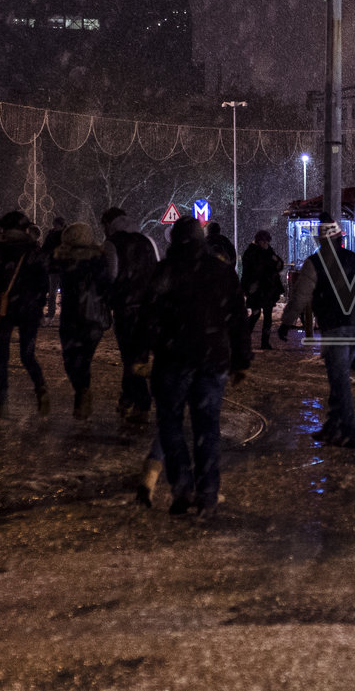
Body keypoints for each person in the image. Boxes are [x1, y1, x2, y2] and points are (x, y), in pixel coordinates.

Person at [142, 217, 251, 516]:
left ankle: (182, 487)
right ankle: (207, 493)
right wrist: (242, 360)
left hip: (172, 360)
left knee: (171, 426)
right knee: (207, 428)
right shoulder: (221, 271)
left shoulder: (164, 271)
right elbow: (238, 319)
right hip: (211, 359)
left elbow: (148, 316)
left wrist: (141, 354)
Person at [279, 215, 355, 446]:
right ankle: (332, 426)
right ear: (341, 238)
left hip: (334, 327)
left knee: (339, 380)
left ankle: (349, 429)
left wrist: (286, 322)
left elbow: (300, 297)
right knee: (339, 377)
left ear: (320, 241)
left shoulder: (315, 263)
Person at [0, 211, 50, 418]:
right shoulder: (33, 249)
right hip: (29, 308)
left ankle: (3, 404)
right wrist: (38, 304)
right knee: (27, 355)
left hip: (4, 307)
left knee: (1, 356)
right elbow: (43, 282)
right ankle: (41, 389)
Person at [101, 207, 158, 425]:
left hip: (126, 309)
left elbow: (111, 276)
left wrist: (107, 299)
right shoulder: (147, 241)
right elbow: (156, 271)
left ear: (109, 224)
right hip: (149, 309)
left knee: (129, 358)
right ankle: (128, 397)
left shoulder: (112, 244)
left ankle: (142, 403)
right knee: (140, 357)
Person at [52, 222, 112, 419]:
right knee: (82, 359)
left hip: (72, 316)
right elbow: (106, 285)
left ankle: (82, 394)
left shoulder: (64, 259)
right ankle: (82, 394)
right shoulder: (98, 258)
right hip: (93, 317)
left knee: (71, 359)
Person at [239, 230, 286, 351]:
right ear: (259, 241)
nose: (266, 244)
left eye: (267, 242)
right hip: (258, 290)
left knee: (266, 316)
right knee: (256, 314)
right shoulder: (253, 253)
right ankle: (245, 340)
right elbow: (254, 270)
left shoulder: (267, 252)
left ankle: (263, 342)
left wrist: (276, 262)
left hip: (266, 290)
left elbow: (279, 264)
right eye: (264, 242)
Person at [40, 216, 67, 319]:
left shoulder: (64, 235)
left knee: (61, 292)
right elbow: (45, 249)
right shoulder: (52, 235)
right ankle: (51, 313)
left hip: (61, 267)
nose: (55, 227)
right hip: (55, 267)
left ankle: (61, 314)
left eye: (57, 225)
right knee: (52, 292)